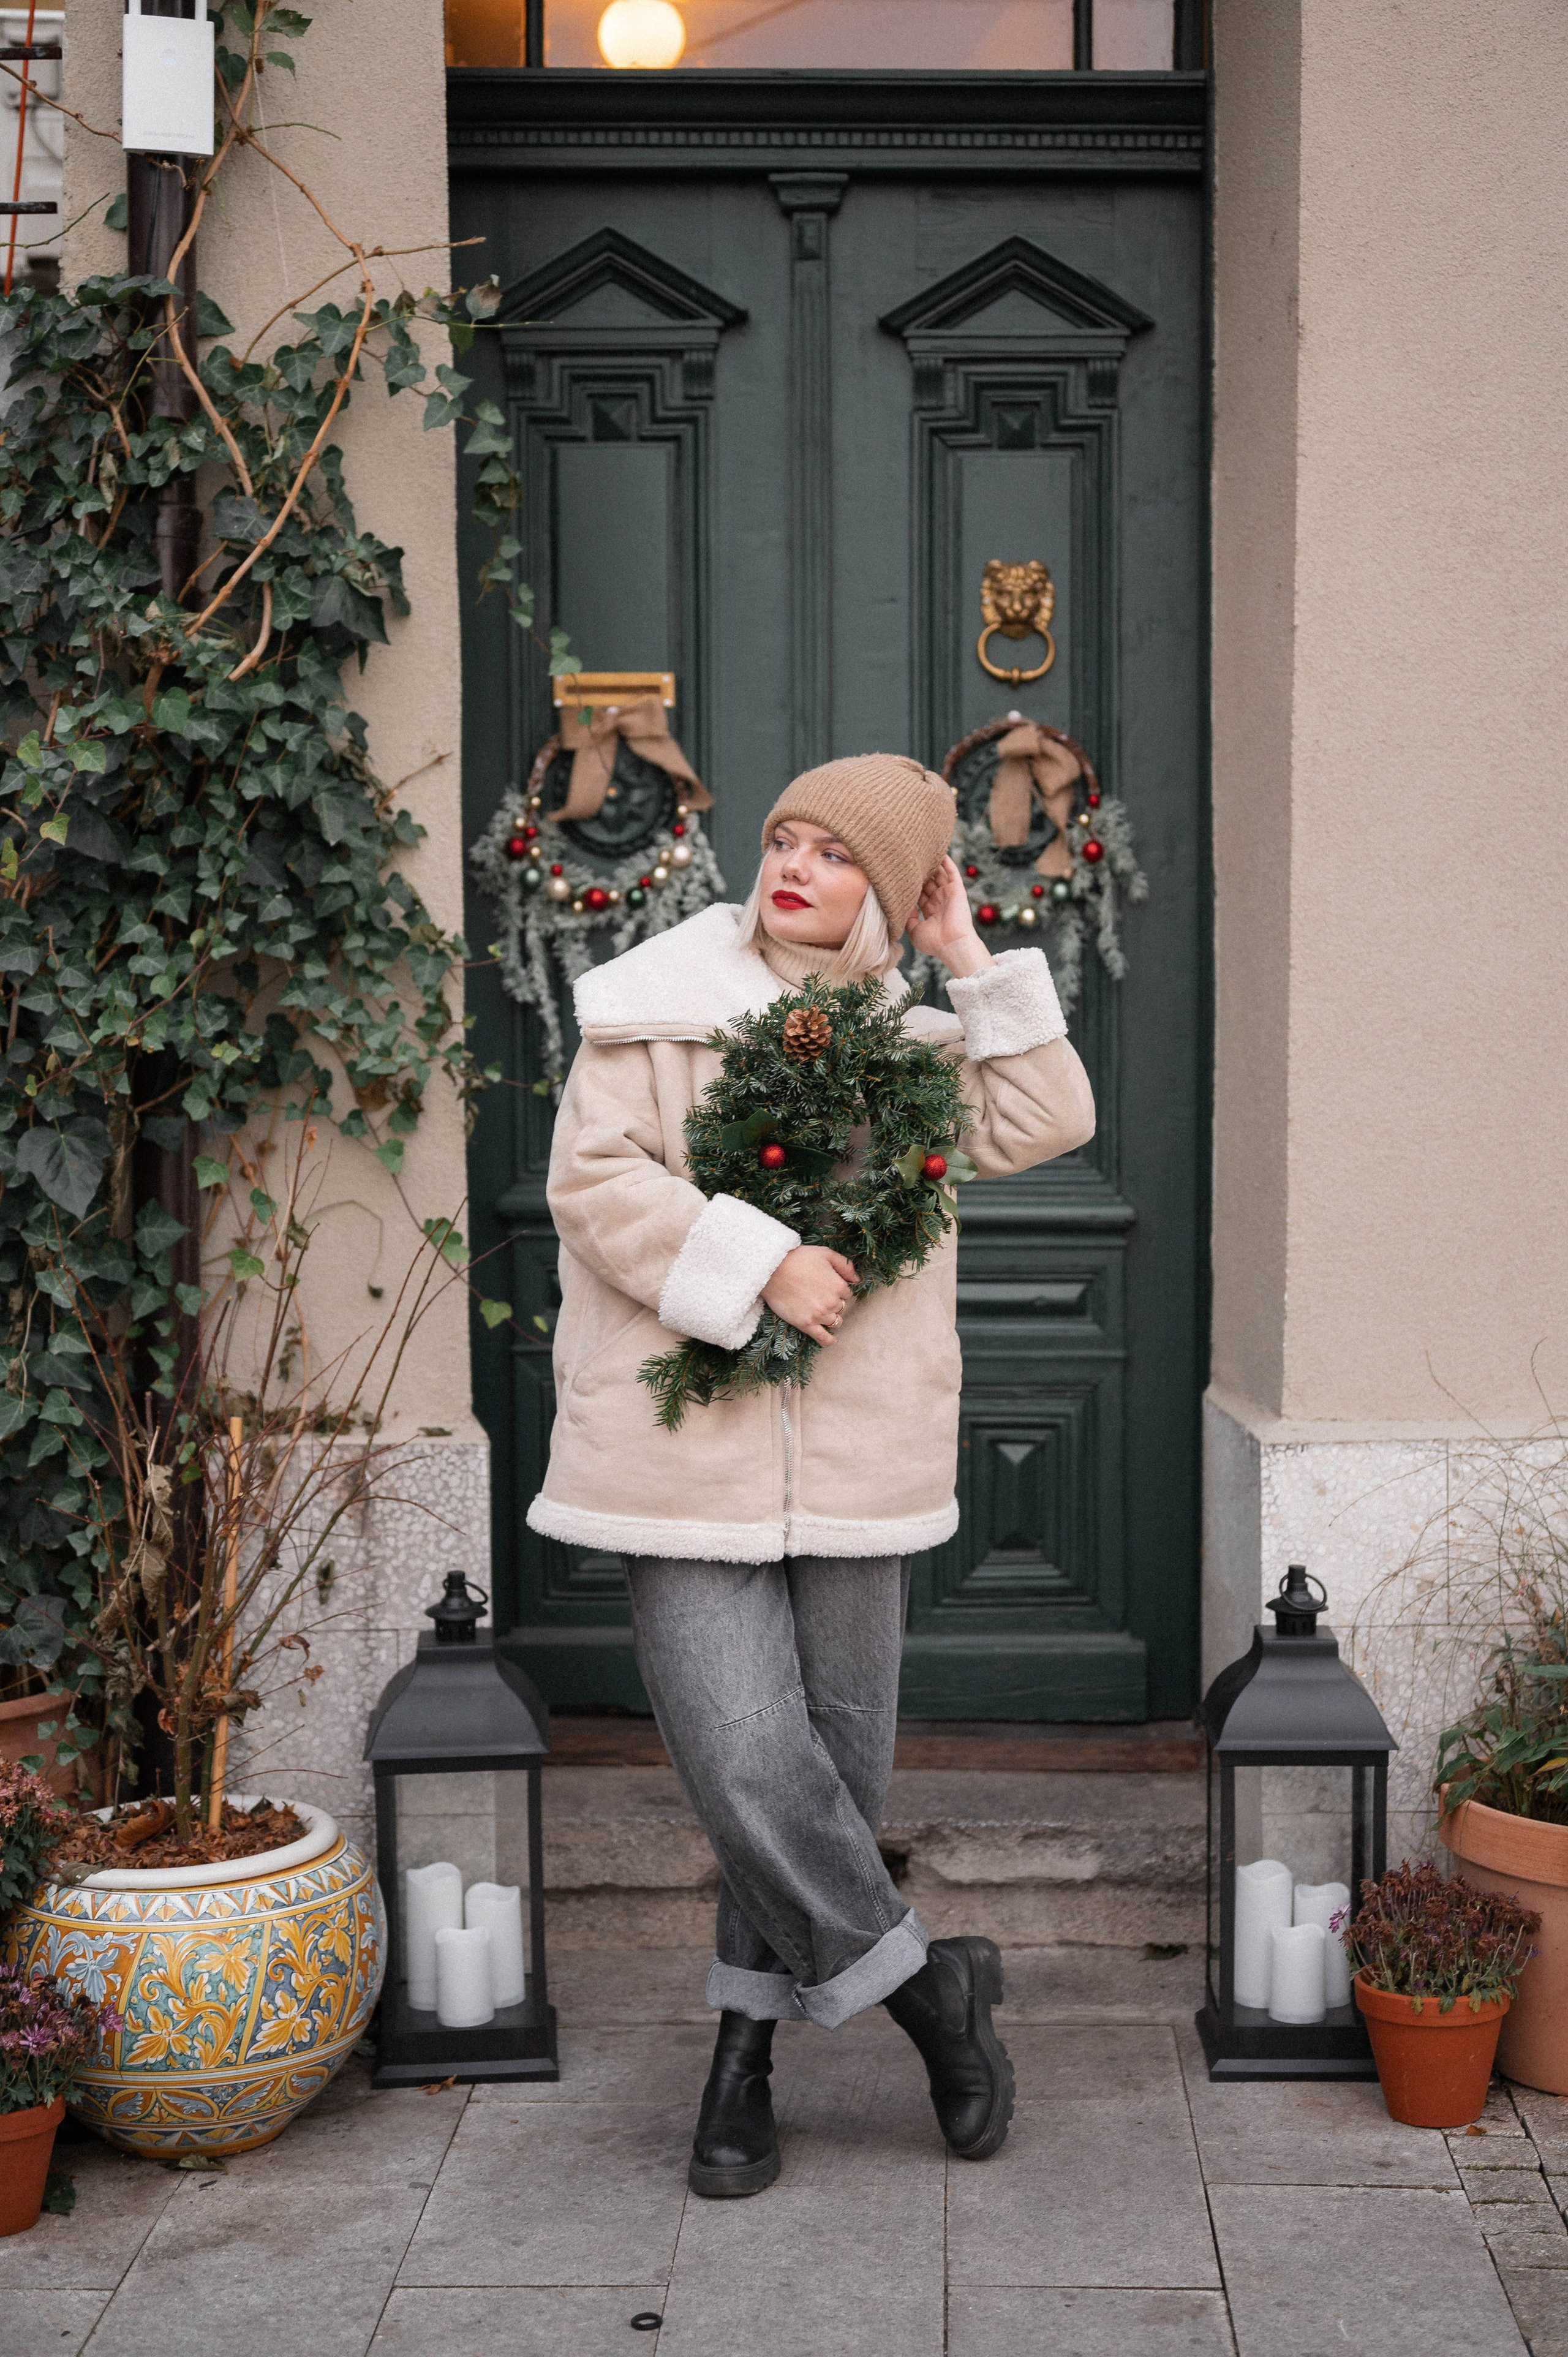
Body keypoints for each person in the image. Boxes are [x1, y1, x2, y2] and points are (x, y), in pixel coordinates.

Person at [529, 753, 1096, 2195]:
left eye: (833, 853)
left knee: (830, 1773)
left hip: (859, 1454)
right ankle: (928, 1995)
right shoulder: (653, 1007)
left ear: (889, 890)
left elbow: (1045, 1121)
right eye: (780, 838)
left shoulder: (910, 1045)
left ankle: (744, 2060)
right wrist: (758, 1260)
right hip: (681, 1450)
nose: (791, 866)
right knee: (745, 1760)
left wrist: (963, 951)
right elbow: (595, 1185)